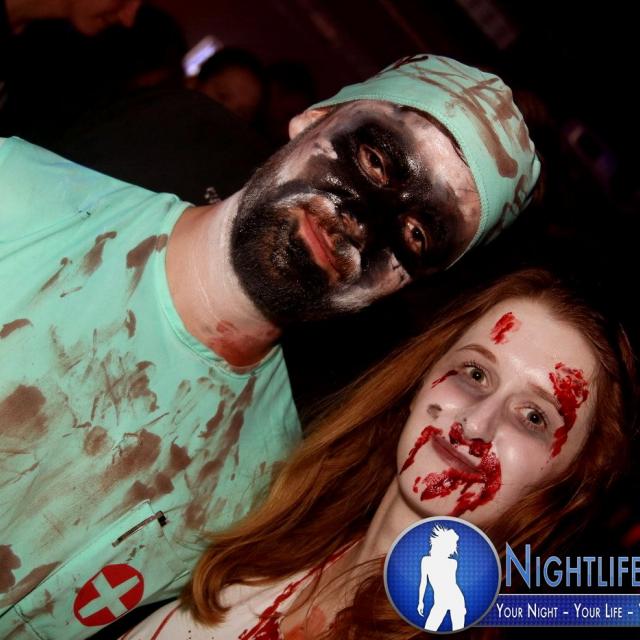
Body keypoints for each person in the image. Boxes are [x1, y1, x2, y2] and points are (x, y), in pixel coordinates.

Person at [0, 54, 540, 639]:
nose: (359, 224)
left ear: (411, 283)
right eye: (375, 161)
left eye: (416, 234)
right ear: (313, 119)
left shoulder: (265, 496)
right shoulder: (15, 195)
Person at [122, 269, 637, 639]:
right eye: (476, 373)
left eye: (534, 417)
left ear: (569, 483)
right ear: (423, 379)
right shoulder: (282, 538)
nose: (475, 425)